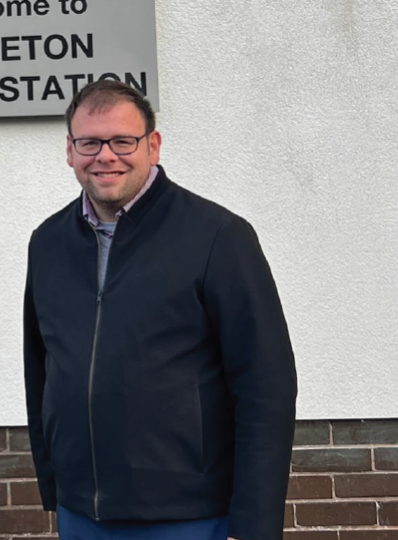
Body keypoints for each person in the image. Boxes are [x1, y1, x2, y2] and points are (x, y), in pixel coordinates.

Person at [23, 80, 297, 540]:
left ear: (152, 145)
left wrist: (254, 526)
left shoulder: (217, 237)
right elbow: (41, 370)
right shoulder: (47, 243)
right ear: (70, 151)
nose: (105, 156)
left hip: (190, 516)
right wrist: (54, 485)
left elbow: (266, 386)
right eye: (89, 142)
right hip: (81, 515)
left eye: (122, 141)